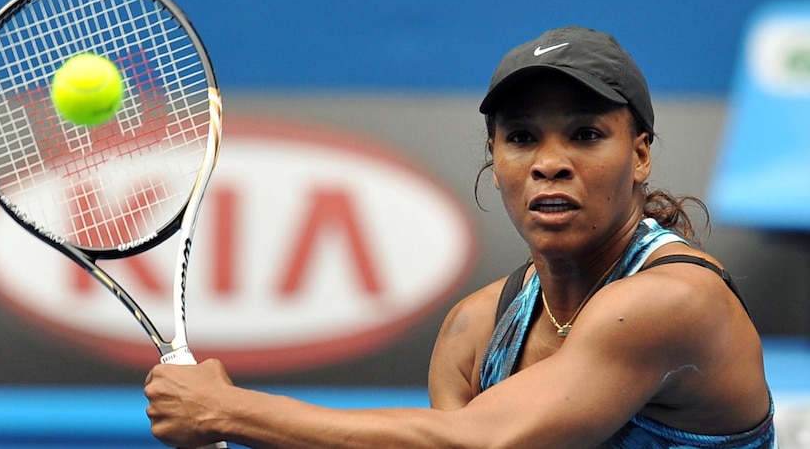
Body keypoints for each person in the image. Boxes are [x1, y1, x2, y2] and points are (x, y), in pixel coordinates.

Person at [144, 26, 777, 448]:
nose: (548, 162)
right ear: (494, 158)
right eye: (521, 137)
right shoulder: (473, 331)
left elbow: (486, 442)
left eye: (585, 135)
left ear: (640, 156)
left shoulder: (673, 302)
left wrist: (229, 412)